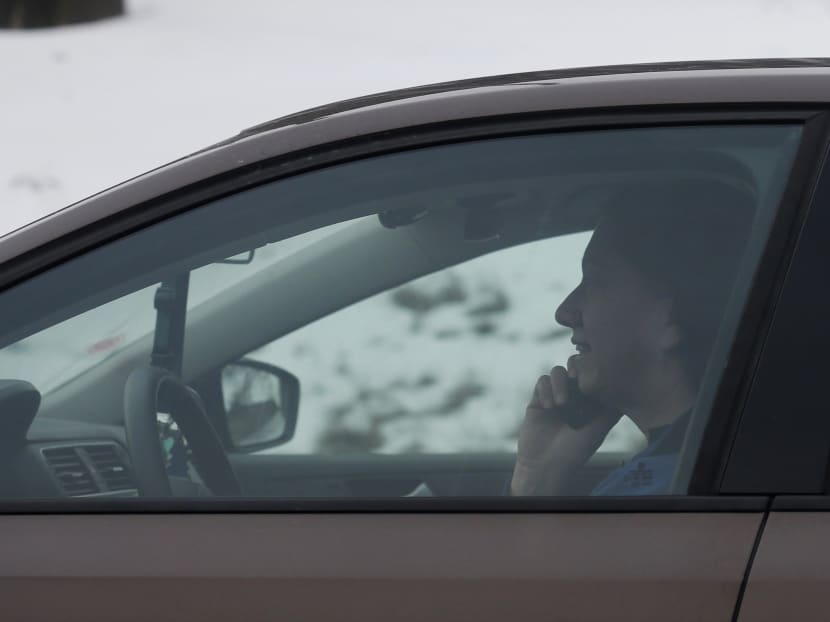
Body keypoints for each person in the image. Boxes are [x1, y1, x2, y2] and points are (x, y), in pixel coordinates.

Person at [511, 180, 755, 496]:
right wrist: (537, 476)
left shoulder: (663, 493)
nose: (565, 312)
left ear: (671, 316)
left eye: (596, 281)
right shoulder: (700, 467)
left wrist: (532, 485)